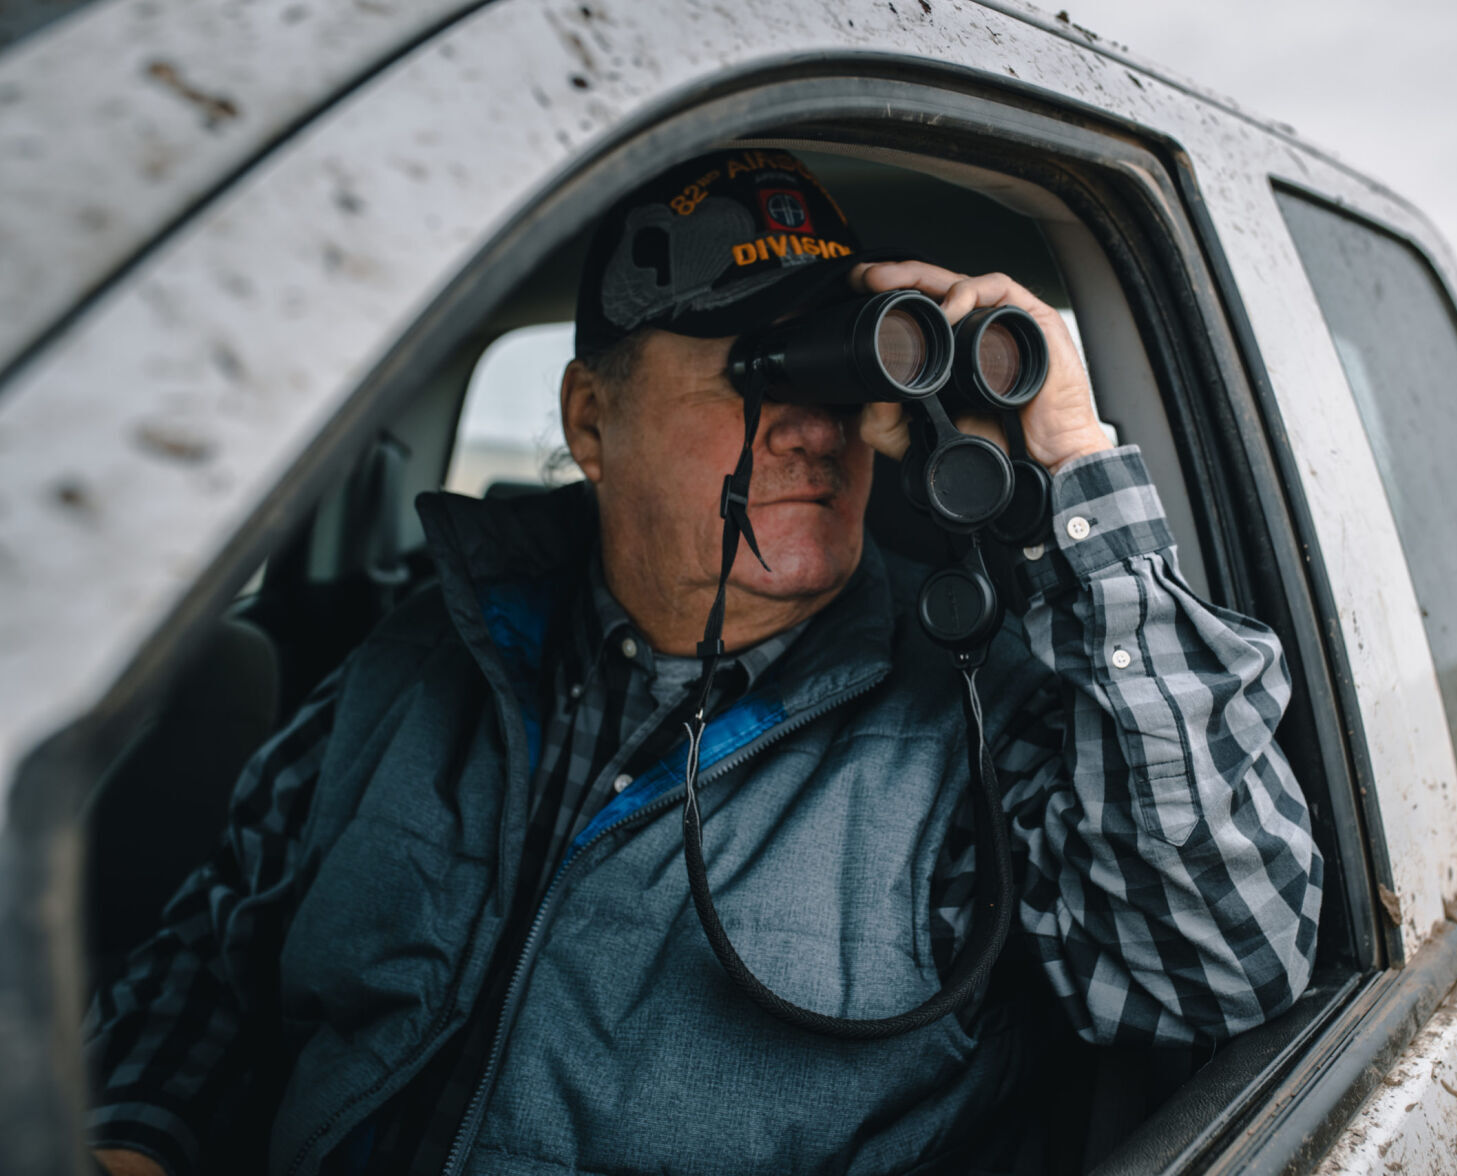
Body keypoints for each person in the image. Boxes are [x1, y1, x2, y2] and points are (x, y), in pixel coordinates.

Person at [85, 149, 1323, 1176]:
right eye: (749, 370)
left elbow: (1220, 969)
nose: (808, 423)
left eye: (833, 367)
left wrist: (1067, 463)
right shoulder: (417, 663)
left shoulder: (976, 719)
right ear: (587, 423)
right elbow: (213, 968)